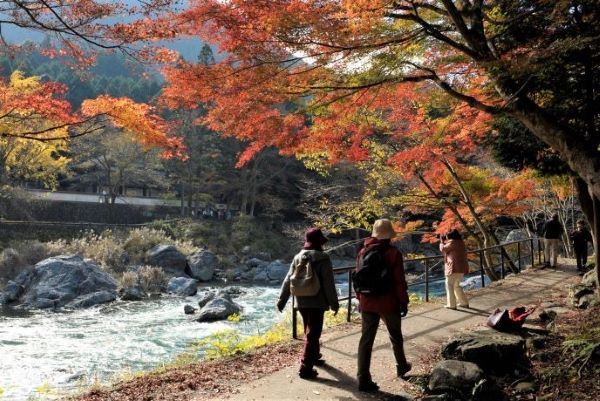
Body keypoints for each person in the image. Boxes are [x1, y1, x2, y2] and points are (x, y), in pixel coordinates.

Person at [355, 219, 411, 392]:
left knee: (366, 340)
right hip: (388, 302)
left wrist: (360, 298)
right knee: (395, 336)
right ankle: (401, 366)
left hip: (367, 302)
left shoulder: (363, 251)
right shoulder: (393, 253)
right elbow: (399, 281)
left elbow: (358, 277)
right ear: (389, 236)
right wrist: (403, 301)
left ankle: (363, 378)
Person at [277, 228, 339, 380]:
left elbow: (288, 279)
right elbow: (328, 283)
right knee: (312, 333)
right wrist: (334, 303)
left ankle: (315, 355)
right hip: (317, 301)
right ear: (319, 243)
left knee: (309, 330)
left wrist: (282, 300)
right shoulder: (323, 258)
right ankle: (305, 368)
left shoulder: (298, 257)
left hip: (301, 300)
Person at [439, 229, 470, 310]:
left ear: (450, 236)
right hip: (462, 267)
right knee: (456, 286)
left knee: (449, 285)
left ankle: (451, 305)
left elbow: (443, 249)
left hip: (454, 268)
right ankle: (464, 303)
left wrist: (441, 241)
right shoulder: (460, 242)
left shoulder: (452, 242)